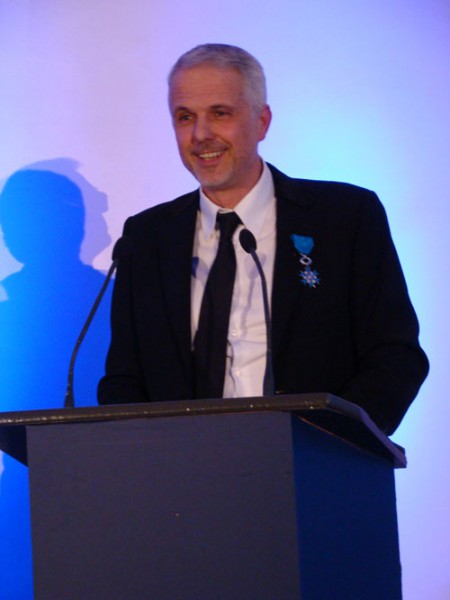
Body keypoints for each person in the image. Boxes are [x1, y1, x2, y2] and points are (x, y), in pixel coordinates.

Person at [98, 43, 428, 435]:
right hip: (181, 466)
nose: (201, 134)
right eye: (185, 117)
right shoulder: (147, 237)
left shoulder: (346, 217)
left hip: (314, 462)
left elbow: (395, 357)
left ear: (262, 122)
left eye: (220, 113)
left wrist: (331, 443)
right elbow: (124, 379)